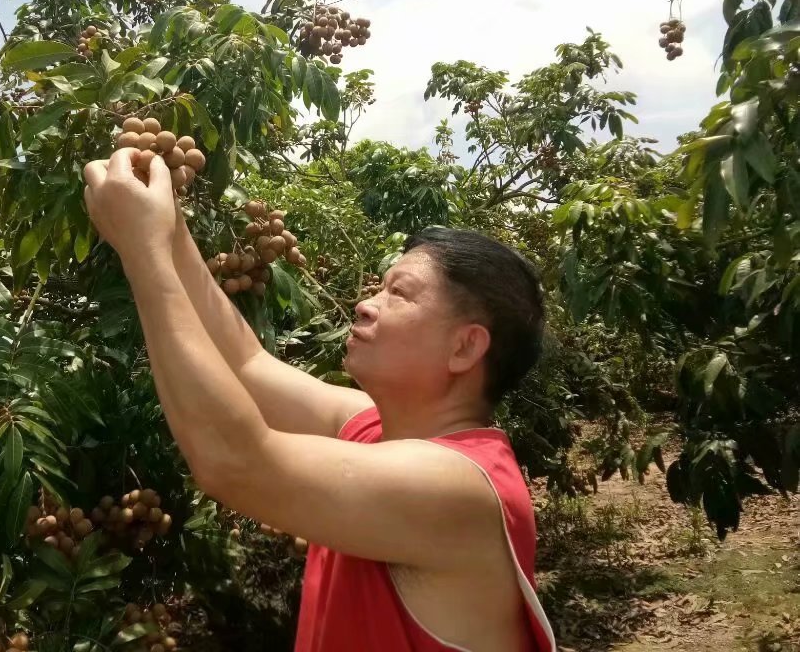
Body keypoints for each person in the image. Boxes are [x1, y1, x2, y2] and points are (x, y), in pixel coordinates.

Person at [83, 149, 557, 652]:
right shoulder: (376, 430)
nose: (365, 304)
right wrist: (169, 223)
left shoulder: (461, 489)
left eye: (399, 294)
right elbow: (247, 364)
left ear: (465, 347)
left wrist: (143, 249)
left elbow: (235, 461)